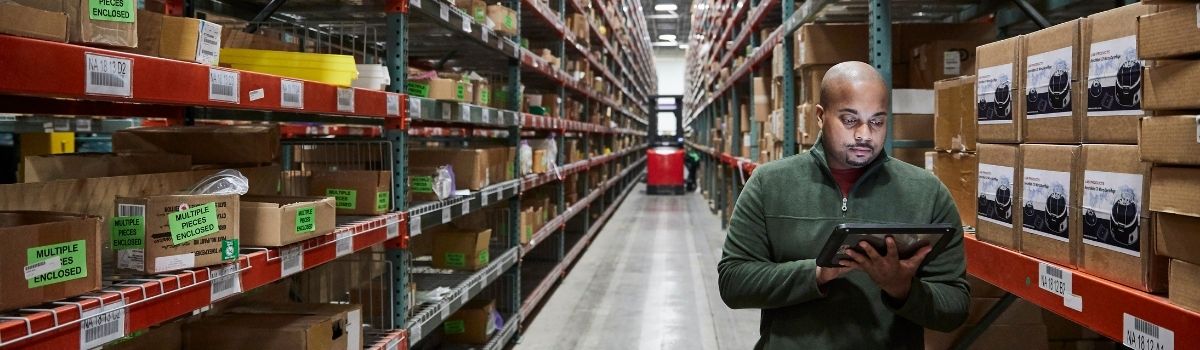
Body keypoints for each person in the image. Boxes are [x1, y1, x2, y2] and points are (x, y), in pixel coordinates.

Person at [717, 61, 969, 349]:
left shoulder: (927, 192)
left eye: (877, 121)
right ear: (821, 117)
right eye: (850, 120)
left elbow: (955, 306)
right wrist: (818, 274)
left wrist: (902, 289)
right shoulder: (769, 184)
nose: (864, 134)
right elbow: (734, 283)